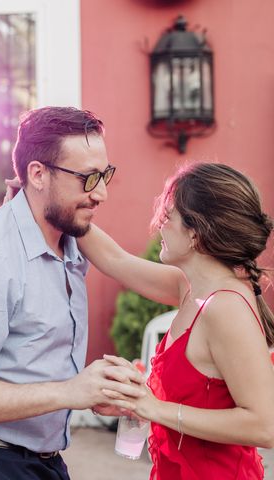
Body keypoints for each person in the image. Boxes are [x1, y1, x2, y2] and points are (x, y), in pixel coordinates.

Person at [0, 106, 145, 480]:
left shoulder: (72, 243)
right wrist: (70, 391)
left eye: (105, 174)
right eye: (88, 178)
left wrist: (96, 392)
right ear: (38, 174)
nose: (102, 193)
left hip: (41, 463)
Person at [77, 162, 274, 479]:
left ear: (195, 232)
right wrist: (54, 200)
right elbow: (114, 260)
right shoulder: (189, 288)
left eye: (168, 216)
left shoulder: (225, 308)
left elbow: (265, 425)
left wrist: (154, 408)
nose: (158, 226)